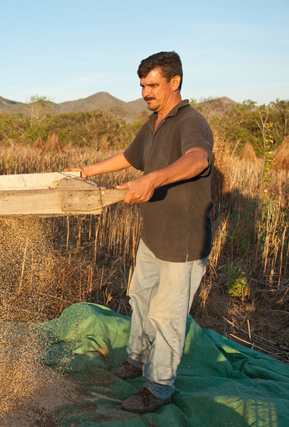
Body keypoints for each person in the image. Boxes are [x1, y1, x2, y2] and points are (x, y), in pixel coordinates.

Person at [65, 51, 213, 414]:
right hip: (153, 235)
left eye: (152, 85)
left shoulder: (190, 121)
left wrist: (153, 178)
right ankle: (136, 359)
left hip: (183, 241)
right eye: (142, 85)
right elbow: (130, 157)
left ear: (174, 82)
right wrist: (84, 172)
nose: (145, 92)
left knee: (167, 315)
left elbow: (199, 159)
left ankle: (159, 388)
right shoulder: (153, 123)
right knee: (141, 298)